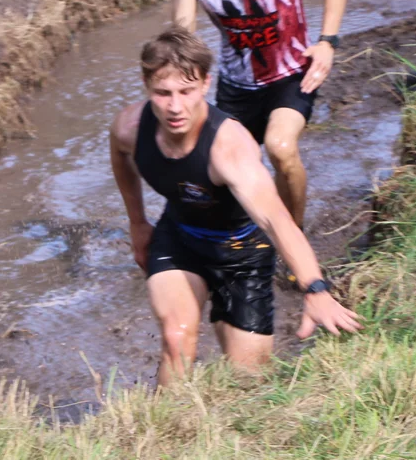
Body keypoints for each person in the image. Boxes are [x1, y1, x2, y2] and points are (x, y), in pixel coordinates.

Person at [109, 27, 362, 386]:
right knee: (177, 338)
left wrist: (314, 288)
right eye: (162, 93)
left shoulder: (230, 148)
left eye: (186, 91)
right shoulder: (129, 126)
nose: (175, 107)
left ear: (206, 84)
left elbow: (277, 221)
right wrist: (137, 221)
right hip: (179, 238)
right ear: (146, 84)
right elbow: (119, 156)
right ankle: (163, 431)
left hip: (243, 253)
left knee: (248, 381)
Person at [172, 0, 350, 237]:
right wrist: (178, 86)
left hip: (290, 74)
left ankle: (293, 237)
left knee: (280, 147)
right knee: (217, 170)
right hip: (236, 85)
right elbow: (183, 33)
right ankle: (225, 242)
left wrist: (328, 42)